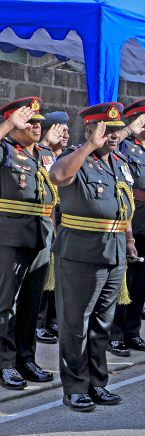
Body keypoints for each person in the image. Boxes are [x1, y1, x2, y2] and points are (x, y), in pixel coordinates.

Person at [50, 102, 139, 412]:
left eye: (116, 130)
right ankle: (74, 387)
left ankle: (97, 383)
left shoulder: (119, 162)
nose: (113, 135)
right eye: (106, 129)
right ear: (90, 129)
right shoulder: (74, 156)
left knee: (102, 323)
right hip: (80, 253)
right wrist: (90, 146)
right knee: (76, 324)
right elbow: (58, 175)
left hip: (113, 251)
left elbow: (123, 201)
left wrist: (128, 238)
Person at [0, 98, 57, 390]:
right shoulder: (5, 149)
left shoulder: (45, 155)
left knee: (30, 304)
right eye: (30, 121)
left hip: (41, 235)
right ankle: (5, 363)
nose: (37, 126)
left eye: (39, 122)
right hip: (9, 235)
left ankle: (25, 357)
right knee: (4, 303)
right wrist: (9, 125)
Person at [108, 97, 145, 357]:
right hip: (129, 221)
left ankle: (133, 331)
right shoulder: (123, 145)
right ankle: (116, 334)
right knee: (125, 281)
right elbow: (104, 144)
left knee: (141, 283)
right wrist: (127, 129)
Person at [36, 111, 71, 345]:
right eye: (61, 130)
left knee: (56, 275)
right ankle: (40, 323)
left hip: (61, 217)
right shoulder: (39, 153)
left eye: (67, 130)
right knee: (42, 276)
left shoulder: (62, 155)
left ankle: (54, 319)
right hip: (44, 219)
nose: (66, 134)